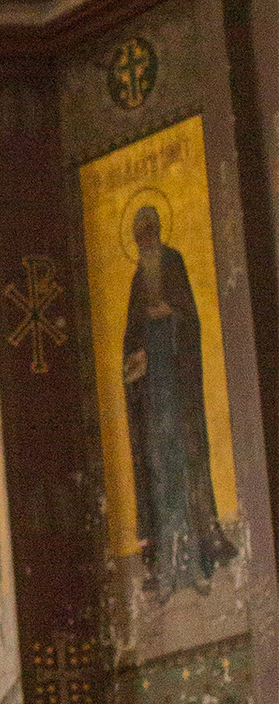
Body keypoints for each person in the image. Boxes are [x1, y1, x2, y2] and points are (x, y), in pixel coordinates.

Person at [122, 202, 236, 597]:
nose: (145, 240)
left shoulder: (173, 262)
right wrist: (135, 359)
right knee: (160, 476)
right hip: (155, 406)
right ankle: (168, 571)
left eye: (150, 231)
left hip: (178, 395)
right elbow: (129, 342)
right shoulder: (138, 279)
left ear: (157, 232)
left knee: (187, 470)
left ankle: (197, 564)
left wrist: (172, 314)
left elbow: (191, 317)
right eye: (140, 235)